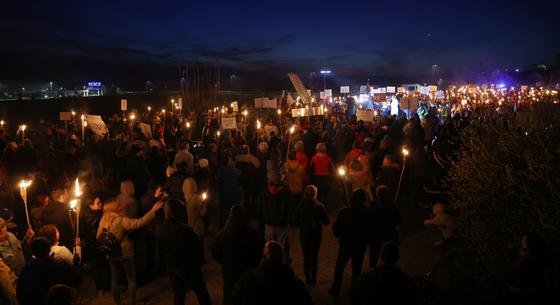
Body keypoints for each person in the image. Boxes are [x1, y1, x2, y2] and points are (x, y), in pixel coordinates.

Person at [96, 198, 163, 305]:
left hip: (111, 254)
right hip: (125, 254)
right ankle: (132, 302)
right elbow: (139, 223)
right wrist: (152, 211)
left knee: (114, 279)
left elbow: (98, 236)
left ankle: (116, 302)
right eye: (118, 205)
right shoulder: (121, 220)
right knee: (131, 279)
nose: (120, 206)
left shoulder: (103, 220)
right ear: (114, 208)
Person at [155, 199, 211, 305]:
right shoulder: (184, 230)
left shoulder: (158, 229)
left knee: (178, 295)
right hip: (188, 267)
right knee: (201, 293)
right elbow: (196, 246)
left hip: (172, 267)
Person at [232, 240, 313, 305]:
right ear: (281, 259)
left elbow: (234, 299)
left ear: (263, 258)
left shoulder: (248, 279)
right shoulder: (296, 285)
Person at [212, 205, 264, 305]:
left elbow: (215, 253)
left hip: (230, 273)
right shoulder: (253, 234)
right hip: (248, 271)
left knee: (230, 296)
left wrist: (224, 261)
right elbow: (260, 250)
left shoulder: (223, 235)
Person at [329, 189, 373, 299]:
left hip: (346, 244)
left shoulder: (344, 212)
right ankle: (354, 292)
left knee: (340, 267)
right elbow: (370, 230)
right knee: (356, 269)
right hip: (359, 246)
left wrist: (340, 236)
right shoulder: (367, 213)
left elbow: (336, 228)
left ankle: (336, 289)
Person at [351, 242, 418, 305]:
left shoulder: (366, 277)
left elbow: (355, 297)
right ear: (397, 258)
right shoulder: (406, 282)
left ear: (381, 256)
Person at [16, 237, 79, 305]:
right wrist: (75, 265)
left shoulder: (26, 270)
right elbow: (76, 281)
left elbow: (20, 295)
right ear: (49, 249)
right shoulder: (60, 265)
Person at [292, 185, 329, 287]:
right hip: (316, 234)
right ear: (315, 194)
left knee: (306, 256)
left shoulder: (300, 205)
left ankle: (307, 279)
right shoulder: (319, 206)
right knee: (314, 256)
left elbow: (294, 222)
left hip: (304, 233)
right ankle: (313, 279)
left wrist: (301, 222)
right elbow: (326, 222)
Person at [259, 177, 293, 265]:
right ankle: (283, 266)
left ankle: (269, 266)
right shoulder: (286, 192)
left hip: (268, 224)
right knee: (283, 247)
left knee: (268, 248)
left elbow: (260, 208)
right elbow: (290, 209)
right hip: (282, 226)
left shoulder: (264, 191)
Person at [367, 185, 401, 268]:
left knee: (373, 258)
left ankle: (374, 273)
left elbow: (369, 219)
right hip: (388, 235)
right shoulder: (392, 205)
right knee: (387, 258)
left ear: (377, 194)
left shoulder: (374, 205)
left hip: (376, 236)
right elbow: (398, 220)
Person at [42, 183, 74, 251]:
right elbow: (72, 229)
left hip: (51, 246)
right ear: (63, 195)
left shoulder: (46, 209)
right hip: (66, 247)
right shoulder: (66, 210)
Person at [217, 155, 242, 229]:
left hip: (223, 194)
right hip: (233, 194)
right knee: (233, 212)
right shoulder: (234, 171)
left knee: (223, 213)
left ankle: (222, 228)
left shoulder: (219, 170)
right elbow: (239, 172)